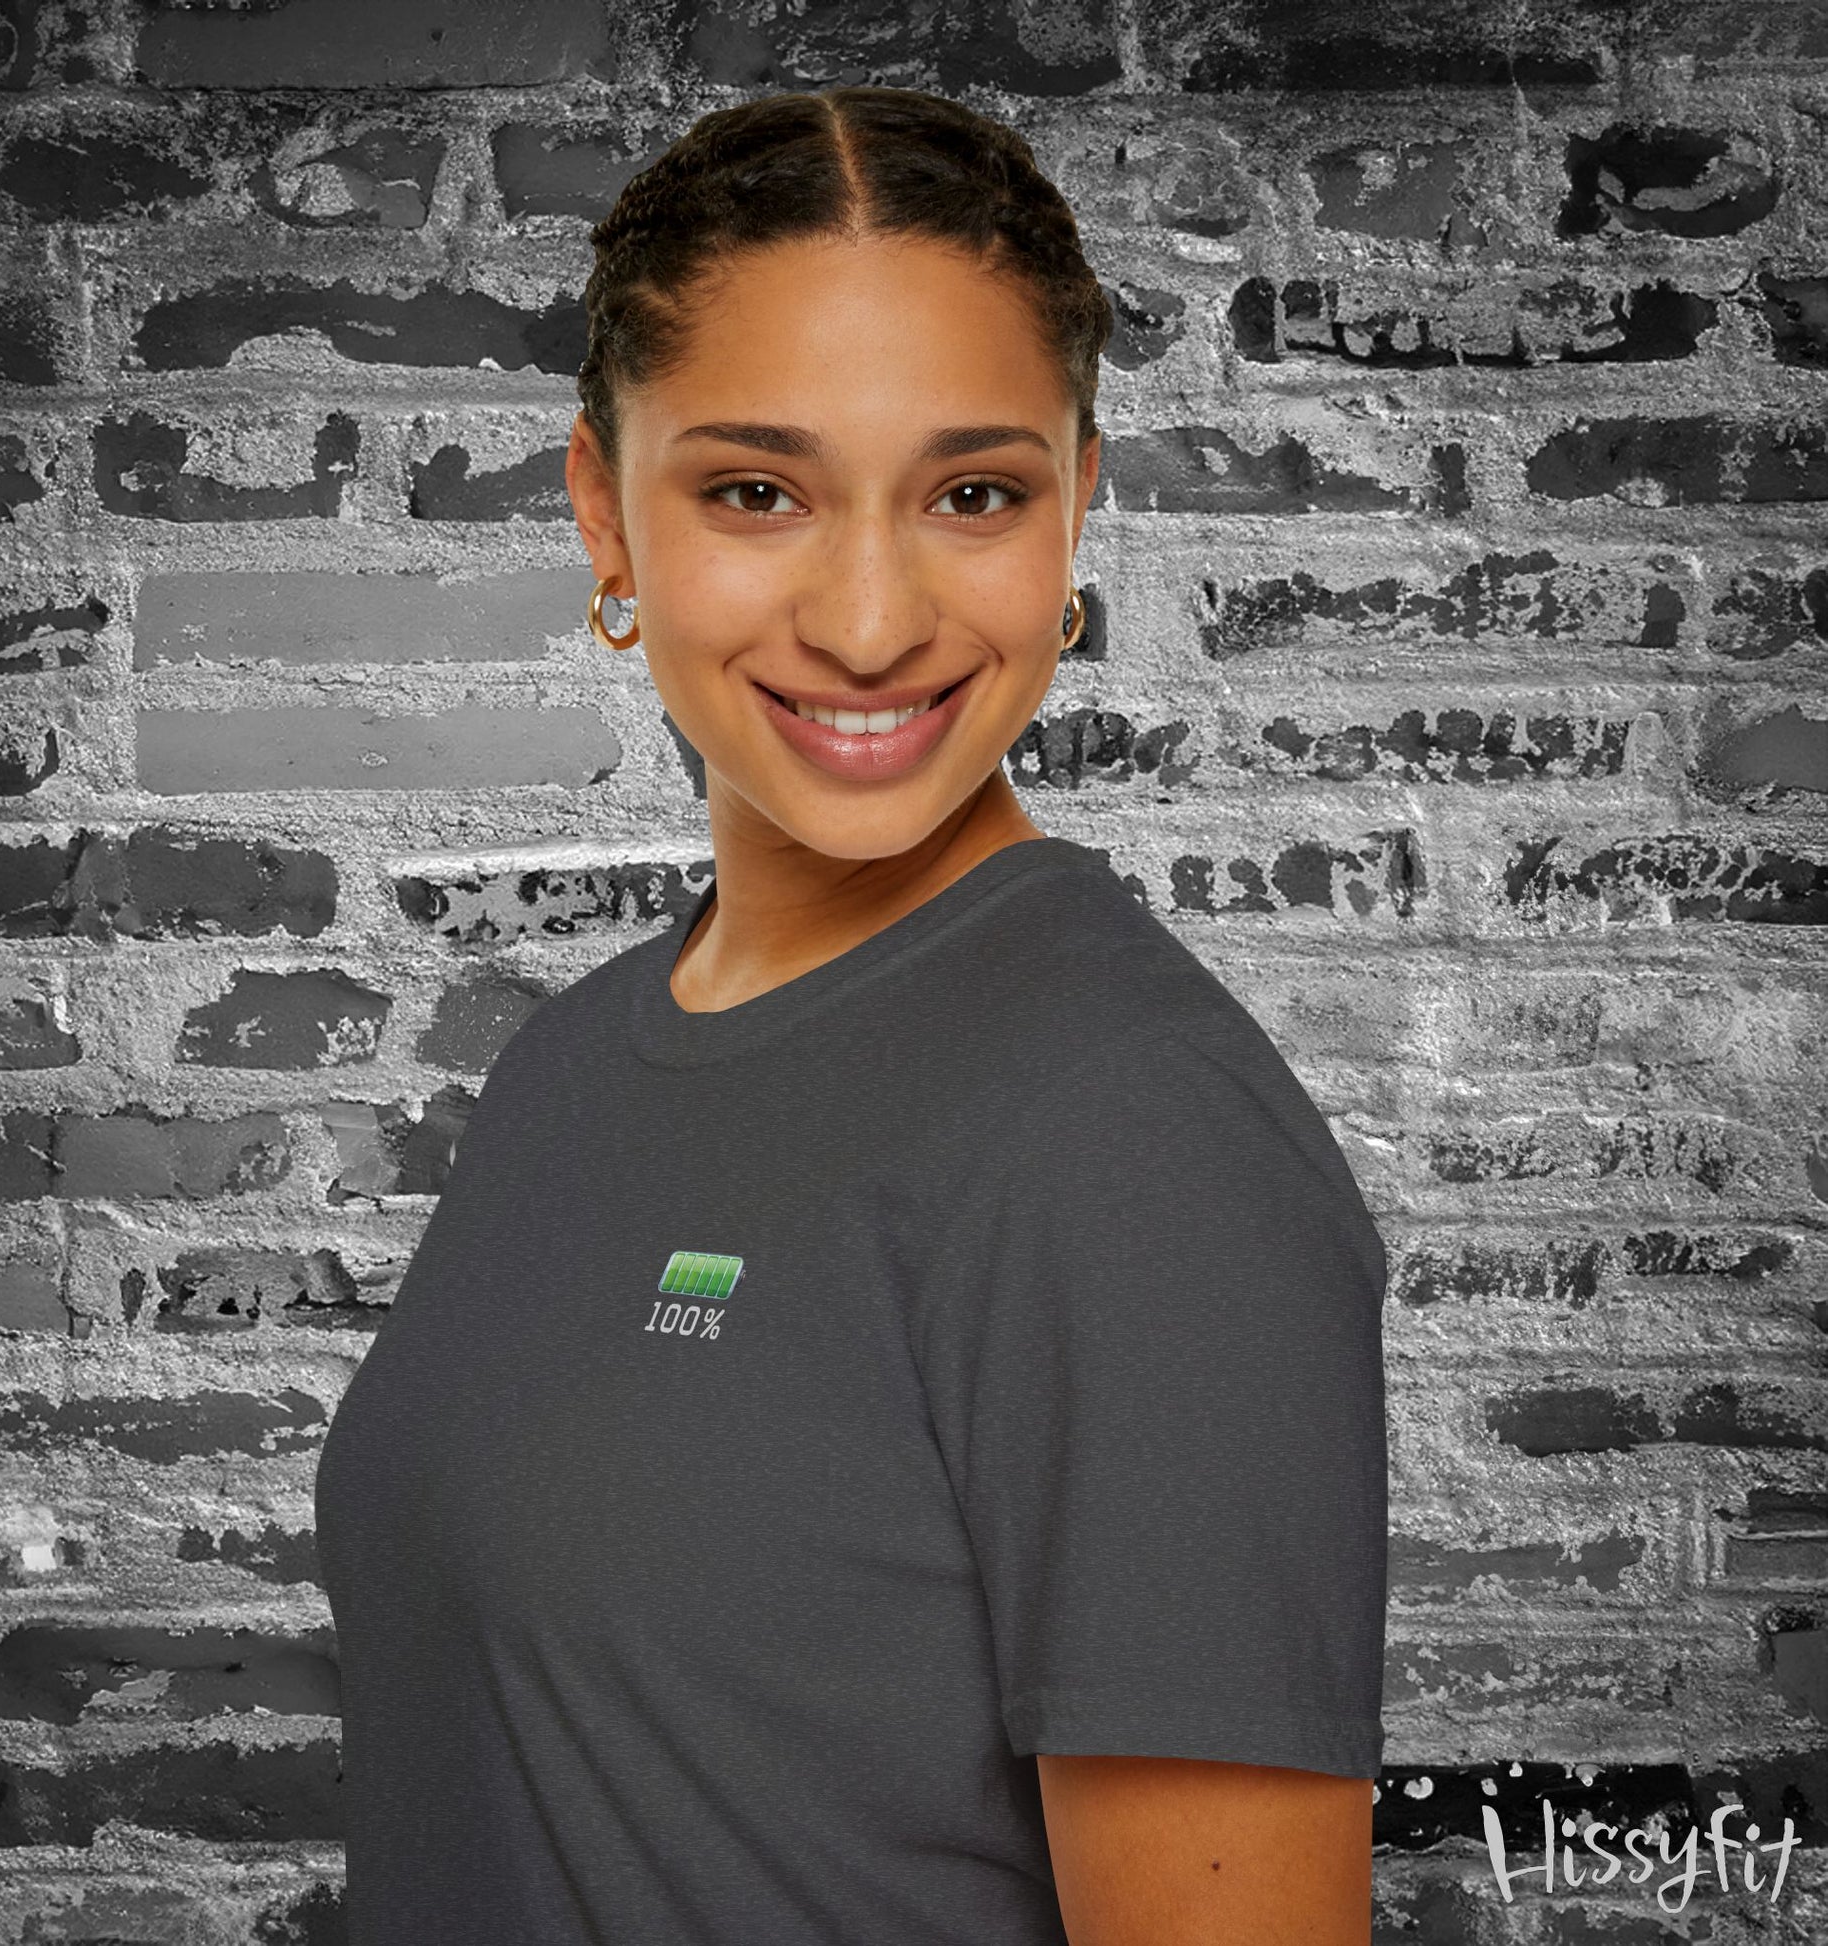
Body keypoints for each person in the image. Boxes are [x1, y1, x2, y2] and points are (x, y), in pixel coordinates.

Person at [315, 84, 1389, 1946]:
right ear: (603, 511)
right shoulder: (568, 1062)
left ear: (1078, 509)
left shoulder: (1133, 1135)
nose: (872, 620)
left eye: (973, 494)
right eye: (756, 490)